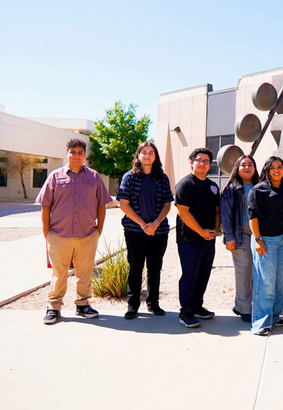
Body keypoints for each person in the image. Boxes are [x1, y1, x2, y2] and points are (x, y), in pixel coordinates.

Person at [37, 138, 112, 325]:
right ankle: (53, 307)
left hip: (87, 235)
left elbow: (102, 204)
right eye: (73, 152)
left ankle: (83, 304)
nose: (77, 155)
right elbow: (45, 205)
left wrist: (98, 230)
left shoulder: (94, 177)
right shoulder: (55, 176)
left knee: (85, 272)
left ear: (85, 155)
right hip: (59, 235)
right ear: (67, 153)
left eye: (80, 152)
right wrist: (47, 232)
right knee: (59, 273)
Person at [117, 141, 174, 320]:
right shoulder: (129, 177)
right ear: (139, 155)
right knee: (135, 268)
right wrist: (143, 224)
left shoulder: (162, 178)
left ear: (155, 156)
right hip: (135, 232)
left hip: (159, 232)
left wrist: (156, 223)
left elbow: (167, 204)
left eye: (151, 152)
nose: (147, 155)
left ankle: (153, 304)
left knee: (154, 268)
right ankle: (132, 305)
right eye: (144, 152)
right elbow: (124, 205)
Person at [248, 156, 283, 336]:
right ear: (267, 170)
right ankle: (261, 323)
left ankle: (273, 315)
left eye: (280, 167)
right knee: (266, 282)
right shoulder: (258, 190)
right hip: (266, 240)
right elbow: (252, 217)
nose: (276, 170)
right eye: (273, 168)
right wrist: (258, 240)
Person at [175, 148, 221, 328]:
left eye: (206, 161)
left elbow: (217, 210)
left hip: (208, 239)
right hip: (189, 240)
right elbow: (183, 212)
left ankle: (197, 306)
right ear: (192, 162)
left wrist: (216, 229)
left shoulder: (212, 185)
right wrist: (201, 231)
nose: (202, 163)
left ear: (210, 165)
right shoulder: (185, 184)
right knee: (190, 274)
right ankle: (185, 312)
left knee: (204, 274)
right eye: (199, 160)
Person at [220, 154, 259, 323]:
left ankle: (244, 305)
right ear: (237, 168)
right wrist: (229, 237)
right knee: (243, 271)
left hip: (259, 234)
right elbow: (226, 215)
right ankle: (244, 309)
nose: (247, 167)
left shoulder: (261, 186)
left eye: (250, 164)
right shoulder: (231, 189)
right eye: (243, 165)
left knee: (257, 272)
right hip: (240, 233)